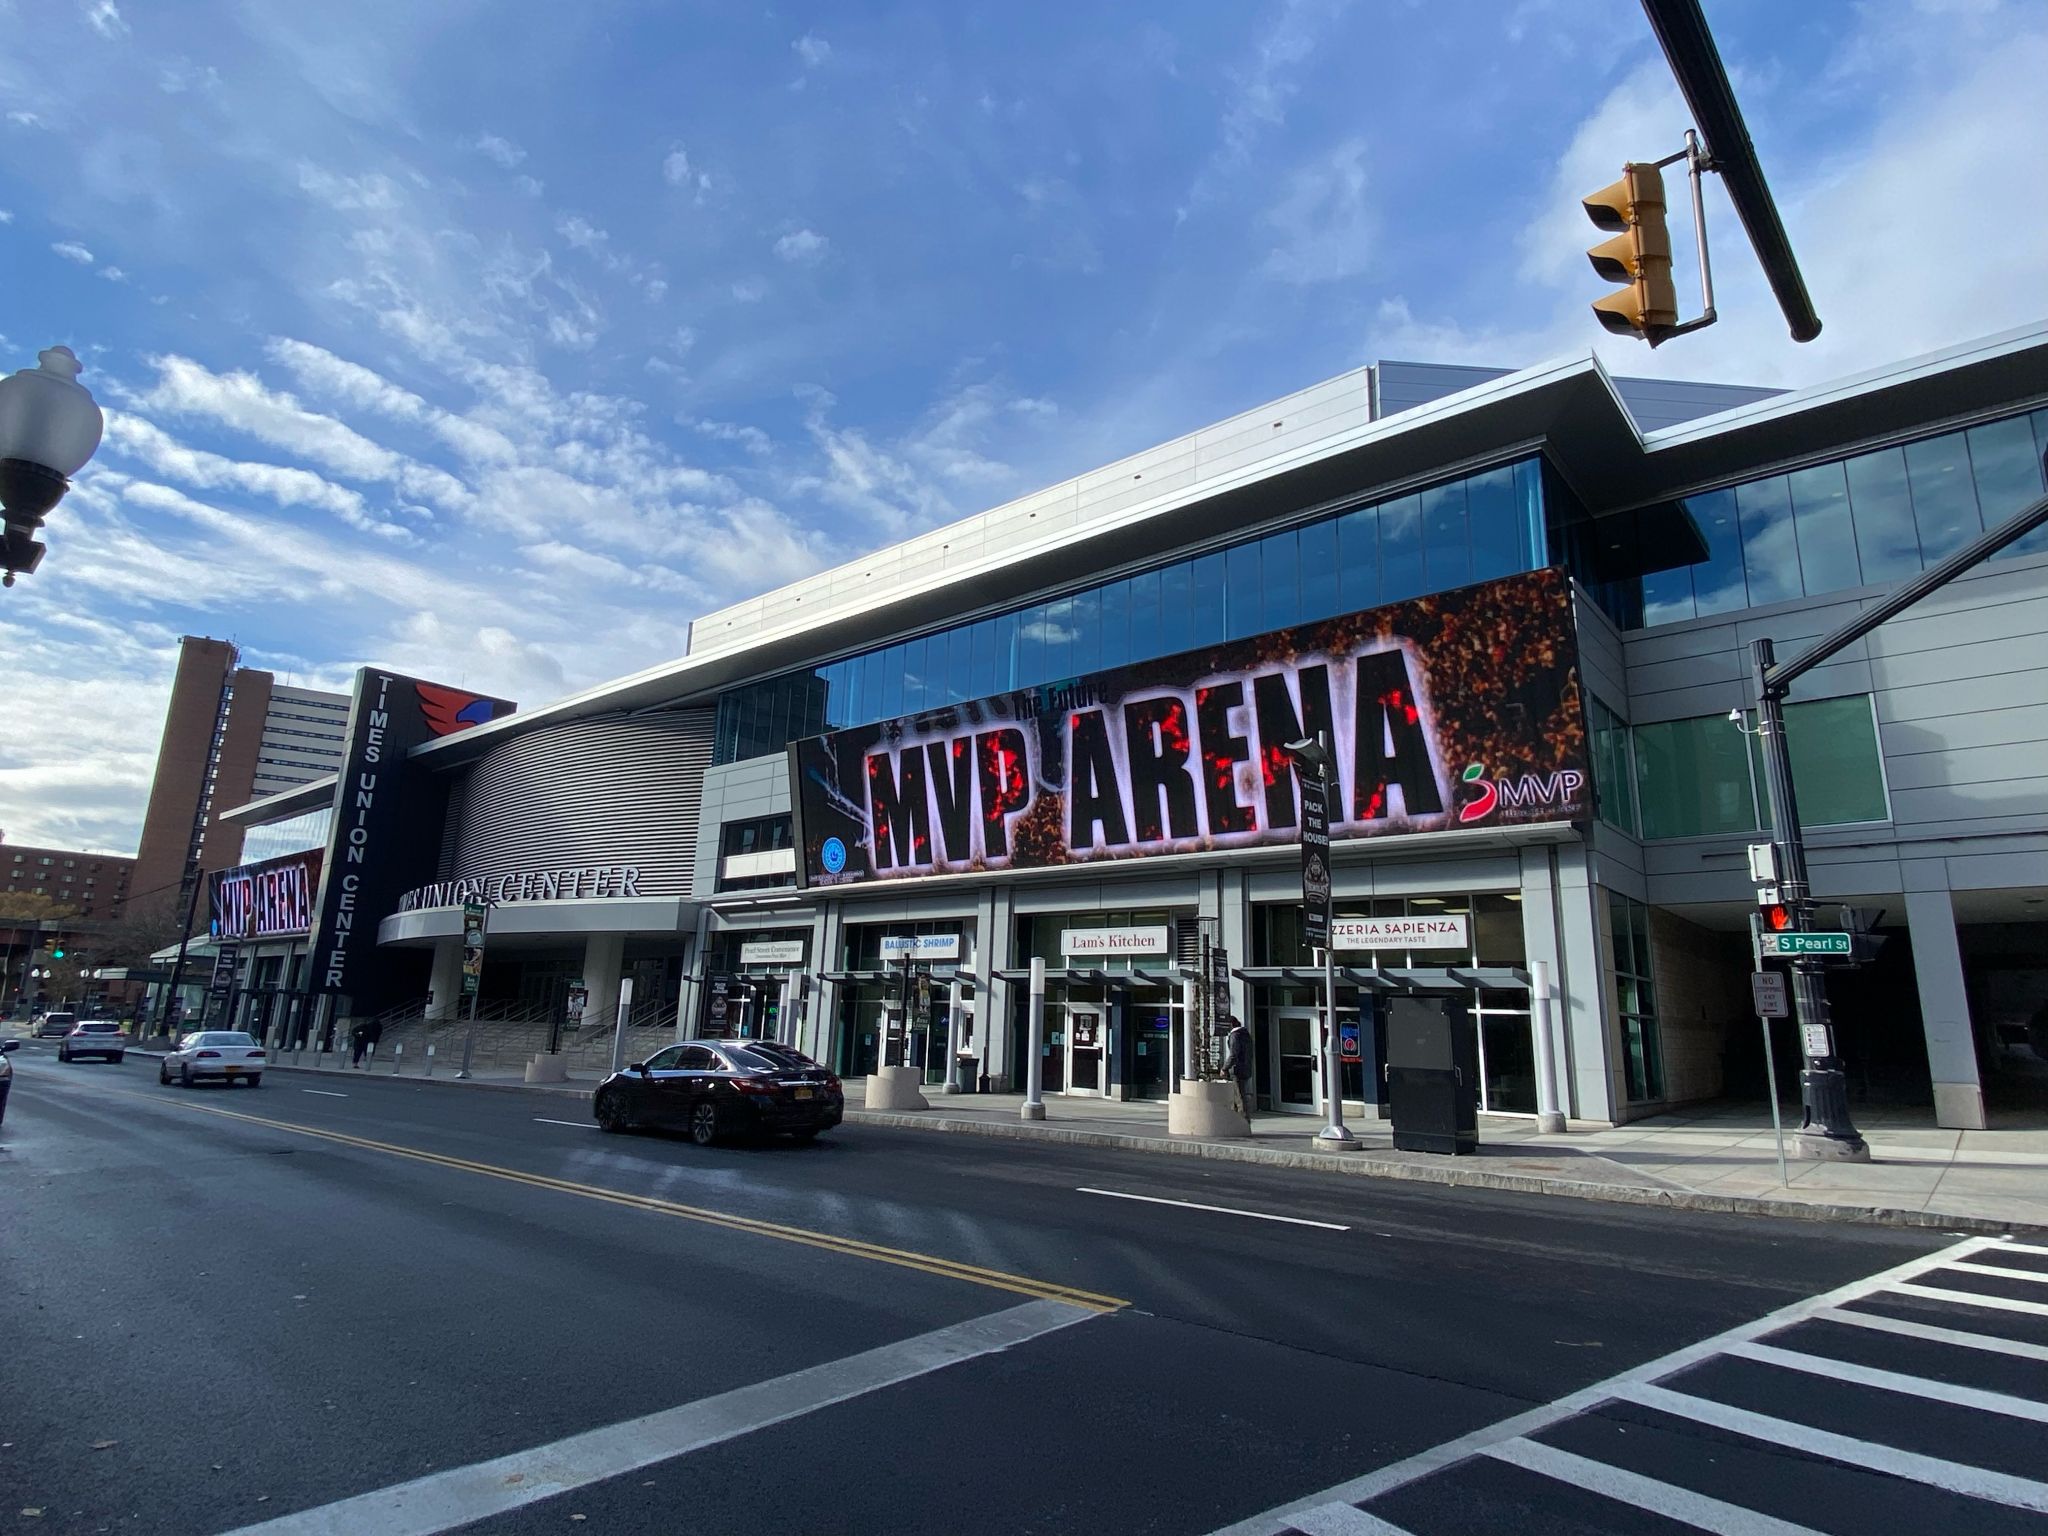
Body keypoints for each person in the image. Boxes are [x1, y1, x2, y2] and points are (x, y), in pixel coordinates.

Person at [1220, 1014, 1253, 1126]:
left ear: (1230, 1024)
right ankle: (1236, 1121)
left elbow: (1233, 1054)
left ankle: (1243, 1122)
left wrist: (1224, 1068)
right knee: (1237, 1096)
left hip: (1237, 1070)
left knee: (1239, 1097)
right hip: (1246, 1068)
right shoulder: (1246, 1034)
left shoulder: (1235, 1036)